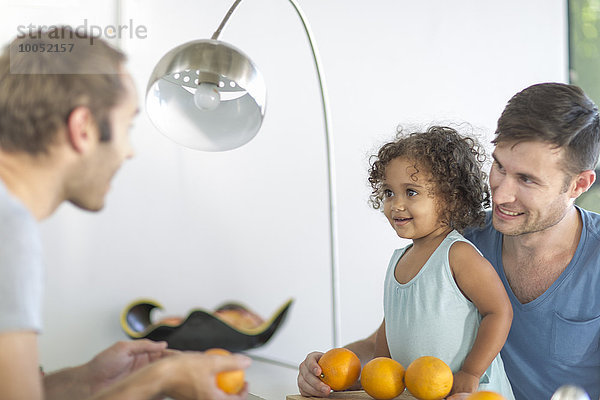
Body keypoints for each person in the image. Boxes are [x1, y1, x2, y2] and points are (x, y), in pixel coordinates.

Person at [298, 83, 600, 400]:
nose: (501, 193)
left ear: (579, 184)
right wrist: (325, 369)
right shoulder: (458, 241)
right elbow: (397, 337)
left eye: (526, 179)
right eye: (499, 166)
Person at [0, 27, 250, 400]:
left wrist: (84, 381)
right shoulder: (10, 229)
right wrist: (158, 380)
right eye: (127, 127)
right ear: (83, 128)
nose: (129, 151)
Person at [371, 127, 513, 397]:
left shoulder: (458, 254)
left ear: (451, 199)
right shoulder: (397, 261)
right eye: (389, 192)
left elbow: (499, 312)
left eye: (411, 192)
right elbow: (392, 326)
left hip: (471, 392)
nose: (396, 205)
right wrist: (378, 374)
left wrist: (470, 372)